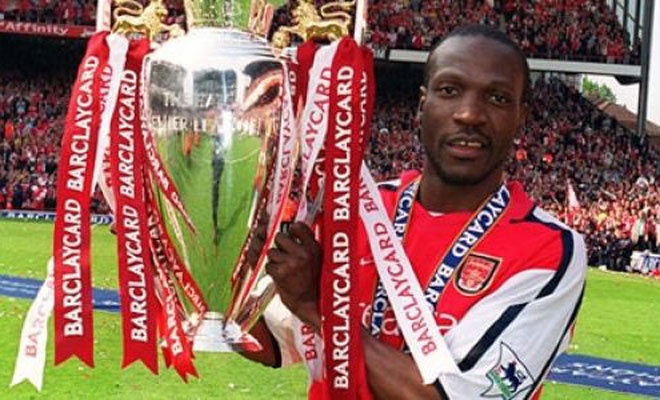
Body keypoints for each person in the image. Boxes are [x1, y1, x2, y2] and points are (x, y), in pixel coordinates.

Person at [243, 24, 587, 399]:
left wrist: (318, 308)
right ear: (423, 105)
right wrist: (234, 272)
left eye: (498, 98)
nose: (469, 114)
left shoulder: (549, 249)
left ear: (521, 117)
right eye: (450, 90)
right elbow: (272, 343)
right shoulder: (353, 211)